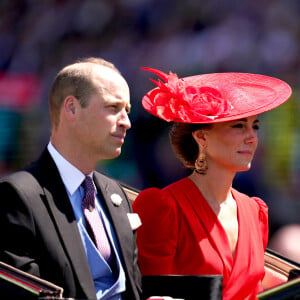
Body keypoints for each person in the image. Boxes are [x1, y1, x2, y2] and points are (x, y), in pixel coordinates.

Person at [133, 67, 292, 300]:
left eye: (255, 126)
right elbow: (154, 294)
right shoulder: (162, 206)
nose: (252, 137)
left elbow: (255, 288)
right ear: (202, 137)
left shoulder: (256, 210)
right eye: (238, 126)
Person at [0, 57, 142, 300]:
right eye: (113, 108)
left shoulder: (120, 196)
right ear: (72, 108)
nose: (126, 122)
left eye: (127, 111)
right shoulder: (17, 196)